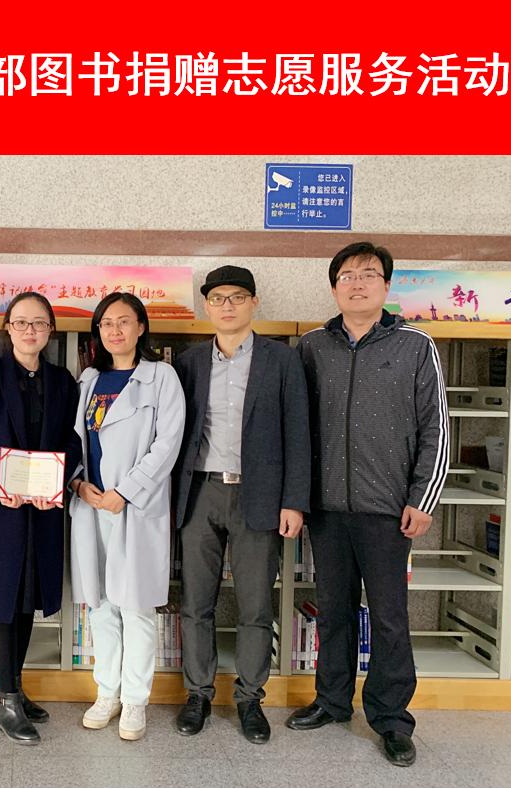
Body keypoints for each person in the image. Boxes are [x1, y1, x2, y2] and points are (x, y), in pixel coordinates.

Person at [287, 242, 449, 767]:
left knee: (389, 618)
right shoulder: (312, 346)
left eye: (368, 274)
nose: (357, 283)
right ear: (334, 287)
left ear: (386, 285)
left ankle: (392, 718)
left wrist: (422, 498)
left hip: (389, 511)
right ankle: (331, 702)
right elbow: (296, 429)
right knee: (332, 611)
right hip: (327, 510)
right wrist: (298, 498)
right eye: (347, 276)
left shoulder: (416, 346)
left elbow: (436, 429)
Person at [171, 265, 310, 744]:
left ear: (254, 302)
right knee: (196, 602)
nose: (227, 305)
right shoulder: (188, 363)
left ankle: (250, 698)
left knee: (255, 604)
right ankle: (198, 694)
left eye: (236, 297)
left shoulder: (282, 360)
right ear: (206, 306)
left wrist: (294, 502)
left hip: (260, 495)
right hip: (200, 492)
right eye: (217, 298)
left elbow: (298, 433)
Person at [0, 291, 81, 745]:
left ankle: (13, 686)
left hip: (42, 509)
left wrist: (57, 481)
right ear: (7, 328)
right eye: (21, 322)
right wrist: (1, 482)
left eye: (39, 323)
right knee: (2, 601)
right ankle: (5, 699)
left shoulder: (62, 381)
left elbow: (73, 439)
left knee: (27, 597)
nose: (30, 330)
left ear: (50, 331)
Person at [69, 292, 185, 741]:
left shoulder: (161, 377)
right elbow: (73, 441)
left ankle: (135, 700)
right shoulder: (89, 379)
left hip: (135, 508)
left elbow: (167, 444)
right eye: (106, 323)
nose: (114, 330)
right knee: (99, 605)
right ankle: (107, 693)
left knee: (135, 607)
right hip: (91, 504)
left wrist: (126, 492)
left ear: (141, 327)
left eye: (123, 321)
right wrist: (78, 484)